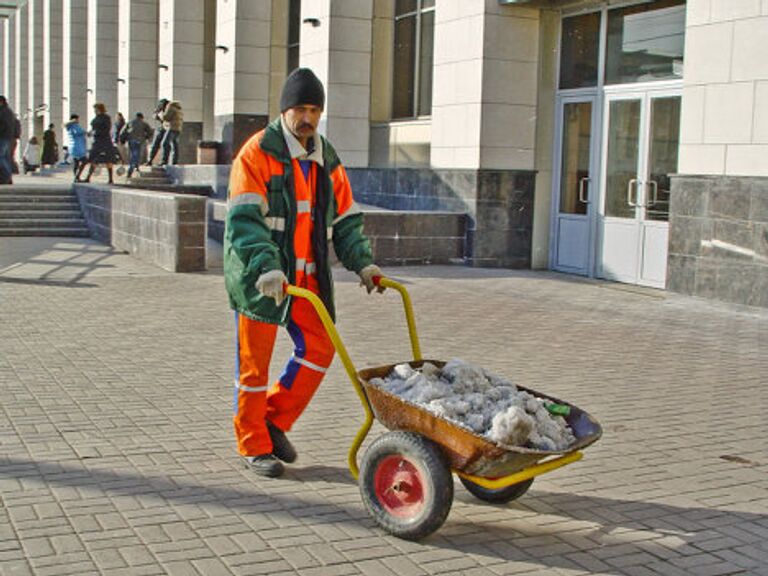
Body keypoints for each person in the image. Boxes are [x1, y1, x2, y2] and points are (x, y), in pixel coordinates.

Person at [224, 68, 385, 478]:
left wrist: (363, 262)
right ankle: (253, 444)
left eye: (314, 109)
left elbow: (346, 219)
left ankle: (273, 421)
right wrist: (265, 268)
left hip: (306, 280)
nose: (307, 118)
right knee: (254, 366)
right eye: (300, 109)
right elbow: (245, 222)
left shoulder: (326, 157)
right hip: (262, 280)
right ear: (284, 110)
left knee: (320, 349)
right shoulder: (257, 153)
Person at [79, 102, 118, 184]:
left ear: (99, 109)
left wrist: (95, 132)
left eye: (96, 109)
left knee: (109, 159)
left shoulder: (106, 118)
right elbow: (93, 128)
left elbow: (106, 129)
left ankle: (110, 179)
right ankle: (87, 177)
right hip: (97, 140)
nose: (94, 111)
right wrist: (90, 132)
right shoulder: (96, 118)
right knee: (92, 158)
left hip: (105, 140)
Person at [124, 112, 153, 178]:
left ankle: (134, 167)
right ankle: (133, 168)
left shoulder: (130, 122)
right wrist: (146, 137)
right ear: (142, 117)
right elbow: (150, 132)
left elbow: (123, 131)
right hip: (140, 140)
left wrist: (124, 139)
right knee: (137, 154)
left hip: (131, 140)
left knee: (133, 154)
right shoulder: (144, 123)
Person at [64, 114, 88, 182]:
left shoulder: (69, 126)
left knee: (76, 163)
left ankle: (76, 177)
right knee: (84, 161)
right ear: (75, 119)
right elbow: (78, 132)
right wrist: (86, 132)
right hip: (78, 147)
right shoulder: (74, 126)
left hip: (73, 147)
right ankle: (77, 176)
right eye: (78, 119)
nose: (78, 120)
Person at [144, 98, 168, 166]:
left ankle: (160, 160)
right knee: (157, 145)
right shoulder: (159, 109)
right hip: (161, 128)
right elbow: (154, 115)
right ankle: (151, 160)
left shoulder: (168, 109)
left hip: (164, 128)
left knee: (163, 145)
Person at [160, 100, 183, 165]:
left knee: (164, 143)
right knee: (174, 145)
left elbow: (166, 117)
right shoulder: (178, 108)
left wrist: (161, 114)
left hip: (172, 128)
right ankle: (174, 161)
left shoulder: (170, 107)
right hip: (178, 129)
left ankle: (164, 161)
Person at [0, 96, 17, 184]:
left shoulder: (3, 112)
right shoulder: (8, 111)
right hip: (8, 138)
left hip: (3, 137)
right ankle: (7, 178)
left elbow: (3, 125)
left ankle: (6, 176)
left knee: (1, 157)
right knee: (6, 158)